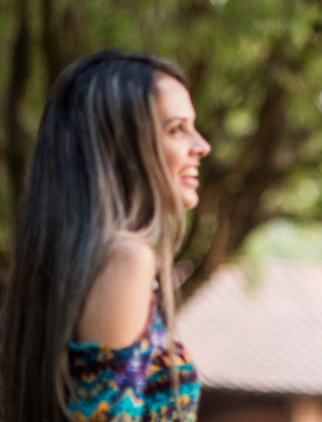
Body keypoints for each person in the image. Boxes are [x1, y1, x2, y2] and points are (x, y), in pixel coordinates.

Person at [0, 50, 211, 422]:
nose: (202, 146)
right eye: (177, 129)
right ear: (121, 143)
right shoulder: (126, 258)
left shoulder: (66, 260)